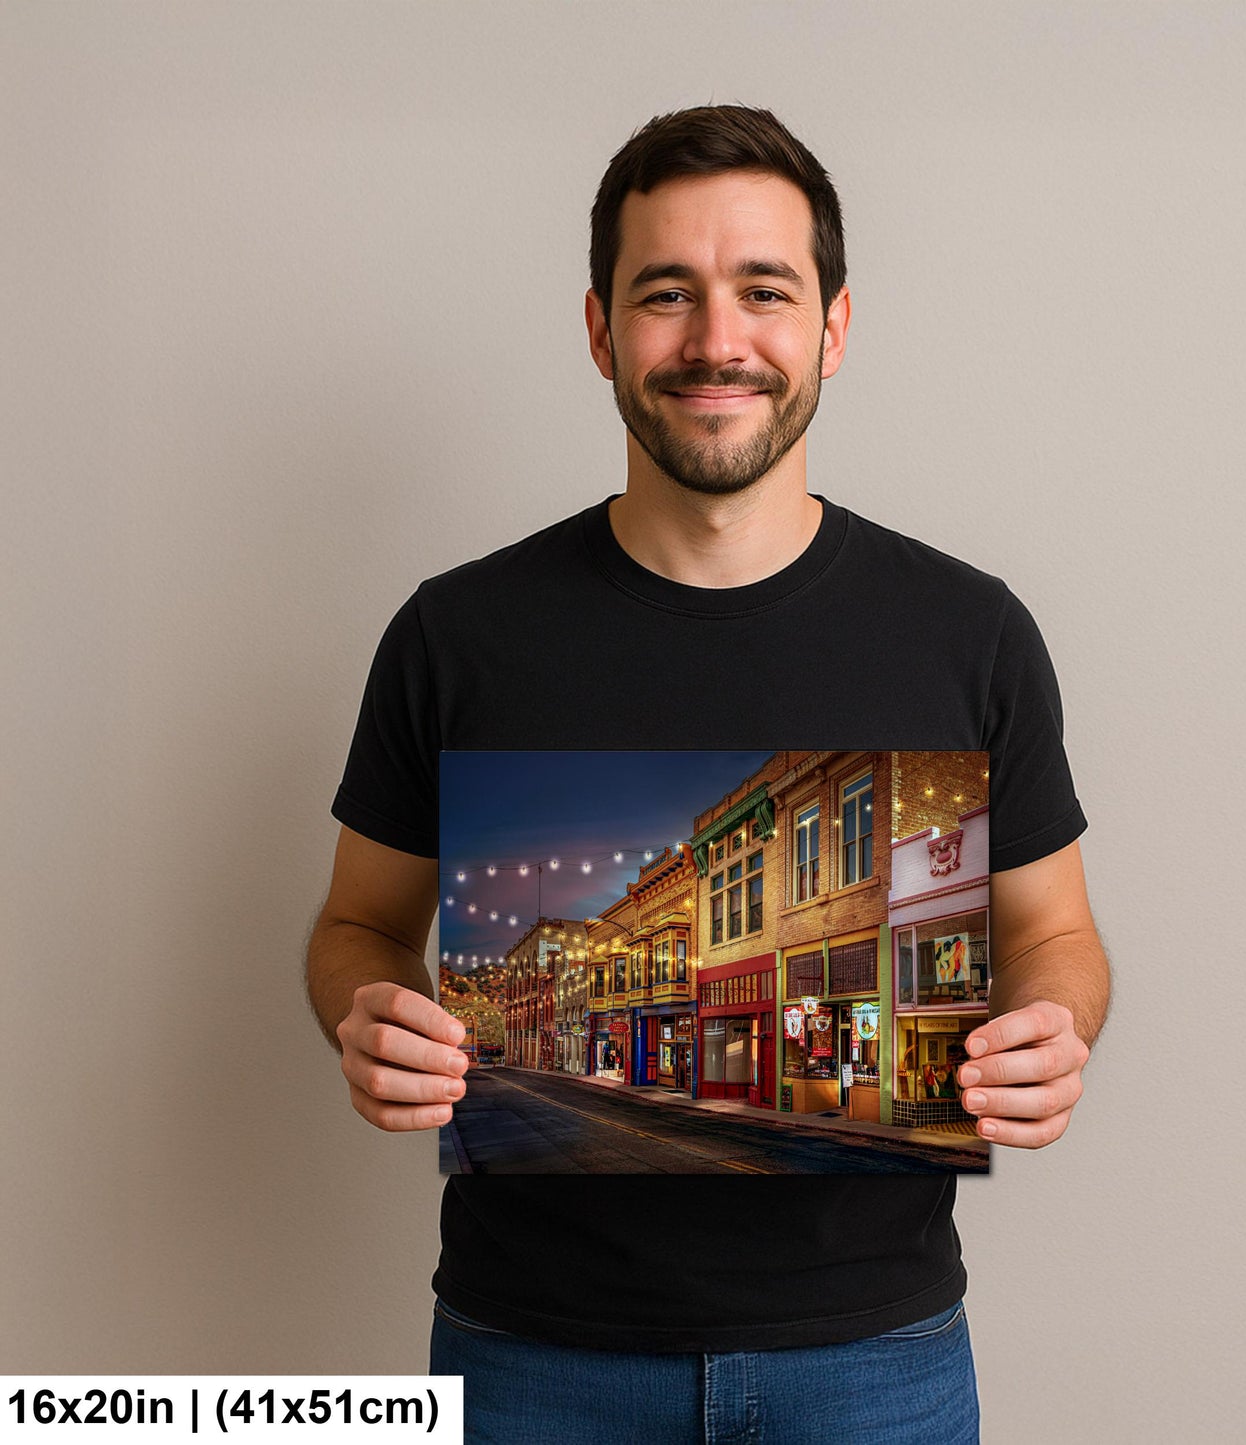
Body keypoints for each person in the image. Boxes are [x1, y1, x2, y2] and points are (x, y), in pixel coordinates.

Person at [306, 104, 1110, 1443]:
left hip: (875, 1357)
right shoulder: (459, 634)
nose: (715, 339)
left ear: (832, 329)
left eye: (763, 291)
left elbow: (1057, 935)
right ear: (599, 330)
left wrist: (1051, 1028)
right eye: (665, 293)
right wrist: (372, 1011)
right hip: (529, 1359)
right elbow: (354, 925)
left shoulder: (969, 633)